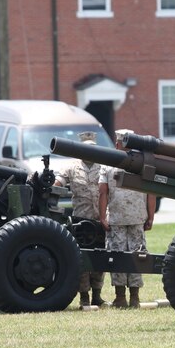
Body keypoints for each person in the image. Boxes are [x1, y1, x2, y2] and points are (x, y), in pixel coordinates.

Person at [99, 129, 155, 309]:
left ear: (117, 143)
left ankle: (120, 298)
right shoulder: (142, 164)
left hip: (116, 217)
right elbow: (151, 192)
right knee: (138, 255)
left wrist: (102, 216)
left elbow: (103, 192)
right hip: (138, 217)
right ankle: (135, 298)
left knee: (117, 256)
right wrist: (151, 216)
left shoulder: (107, 165)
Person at [55, 131, 105, 308]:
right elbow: (58, 182)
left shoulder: (104, 166)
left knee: (100, 258)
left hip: (100, 219)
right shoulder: (72, 167)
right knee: (82, 259)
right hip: (81, 219)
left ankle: (97, 295)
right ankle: (84, 296)